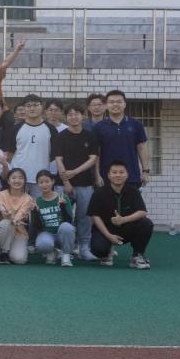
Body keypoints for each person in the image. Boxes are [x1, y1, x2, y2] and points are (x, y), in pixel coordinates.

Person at [54, 103, 100, 261]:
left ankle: (84, 247)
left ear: (83, 116)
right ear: (66, 117)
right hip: (62, 184)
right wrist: (66, 181)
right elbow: (58, 160)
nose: (73, 117)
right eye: (70, 114)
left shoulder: (90, 136)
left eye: (77, 114)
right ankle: (64, 249)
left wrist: (74, 172)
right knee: (62, 216)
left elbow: (93, 159)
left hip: (85, 183)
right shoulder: (60, 136)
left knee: (85, 217)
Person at [87, 160, 154, 269]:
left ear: (127, 174)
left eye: (121, 172)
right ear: (108, 175)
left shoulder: (133, 191)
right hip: (106, 230)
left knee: (146, 223)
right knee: (98, 249)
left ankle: (137, 255)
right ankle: (107, 253)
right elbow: (95, 216)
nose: (118, 175)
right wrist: (109, 236)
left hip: (126, 228)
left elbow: (142, 212)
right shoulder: (99, 193)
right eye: (114, 172)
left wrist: (123, 219)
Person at [94, 90, 150, 190]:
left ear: (124, 104)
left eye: (119, 101)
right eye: (111, 102)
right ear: (106, 105)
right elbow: (96, 153)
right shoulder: (98, 127)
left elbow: (141, 148)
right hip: (106, 177)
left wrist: (145, 171)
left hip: (131, 176)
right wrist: (97, 175)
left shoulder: (136, 124)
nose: (115, 104)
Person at [8, 93, 59, 198]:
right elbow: (10, 153)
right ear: (24, 108)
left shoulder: (51, 129)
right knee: (19, 207)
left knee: (39, 207)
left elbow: (54, 155)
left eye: (35, 105)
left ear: (42, 107)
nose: (32, 108)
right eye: (28, 105)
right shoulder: (16, 128)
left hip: (41, 179)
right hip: (19, 179)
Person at [31, 170, 75, 267]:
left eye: (47, 181)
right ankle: (52, 251)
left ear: (53, 181)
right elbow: (37, 227)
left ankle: (66, 254)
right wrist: (35, 212)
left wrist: (62, 207)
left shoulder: (62, 197)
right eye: (41, 182)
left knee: (67, 227)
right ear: (37, 184)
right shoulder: (37, 201)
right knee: (42, 244)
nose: (44, 185)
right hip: (47, 233)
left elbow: (69, 221)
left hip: (61, 234)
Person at [0, 168, 35, 265]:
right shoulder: (0, 195)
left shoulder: (28, 199)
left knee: (20, 260)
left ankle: (7, 250)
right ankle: (4, 252)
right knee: (6, 223)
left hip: (19, 232)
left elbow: (19, 215)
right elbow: (2, 208)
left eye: (21, 178)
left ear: (25, 181)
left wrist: (11, 217)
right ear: (8, 181)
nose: (17, 180)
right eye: (14, 178)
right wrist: (7, 215)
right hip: (1, 231)